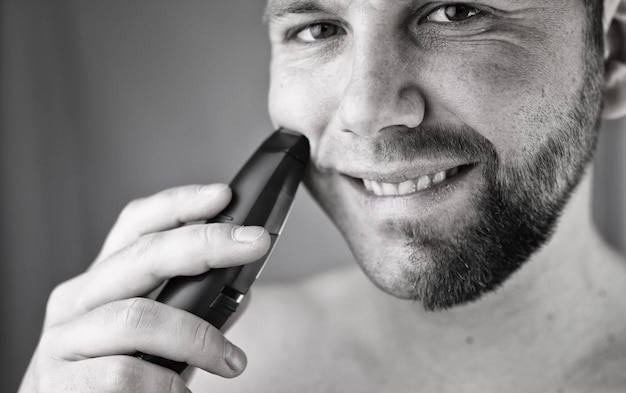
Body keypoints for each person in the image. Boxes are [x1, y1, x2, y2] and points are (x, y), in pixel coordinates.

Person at [19, 0, 626, 392]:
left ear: (614, 55)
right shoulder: (180, 374)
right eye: (318, 28)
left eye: (457, 13)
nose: (364, 110)